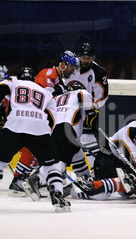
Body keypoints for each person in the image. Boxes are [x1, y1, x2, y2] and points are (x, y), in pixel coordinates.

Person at [9, 51, 80, 195]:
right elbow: (49, 97)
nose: (72, 72)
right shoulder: (49, 74)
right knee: (35, 144)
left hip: (41, 117)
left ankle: (31, 177)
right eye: (71, 67)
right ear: (63, 64)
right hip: (33, 115)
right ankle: (18, 179)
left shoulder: (58, 80)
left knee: (42, 147)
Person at [0, 66, 70, 212]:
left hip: (15, 125)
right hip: (39, 129)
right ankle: (58, 195)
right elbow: (52, 119)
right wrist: (44, 138)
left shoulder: (13, 82)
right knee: (52, 166)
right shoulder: (46, 93)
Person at [66, 110, 136, 200]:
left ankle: (91, 181)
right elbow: (133, 156)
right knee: (103, 195)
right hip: (107, 160)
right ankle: (76, 190)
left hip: (120, 163)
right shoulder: (130, 131)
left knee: (128, 192)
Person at [65, 42, 109, 169]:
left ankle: (97, 169)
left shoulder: (99, 72)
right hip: (68, 110)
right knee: (65, 140)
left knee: (90, 142)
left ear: (93, 58)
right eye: (84, 57)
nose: (85, 60)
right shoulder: (71, 66)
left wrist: (90, 107)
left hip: (87, 112)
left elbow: (103, 96)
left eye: (88, 58)